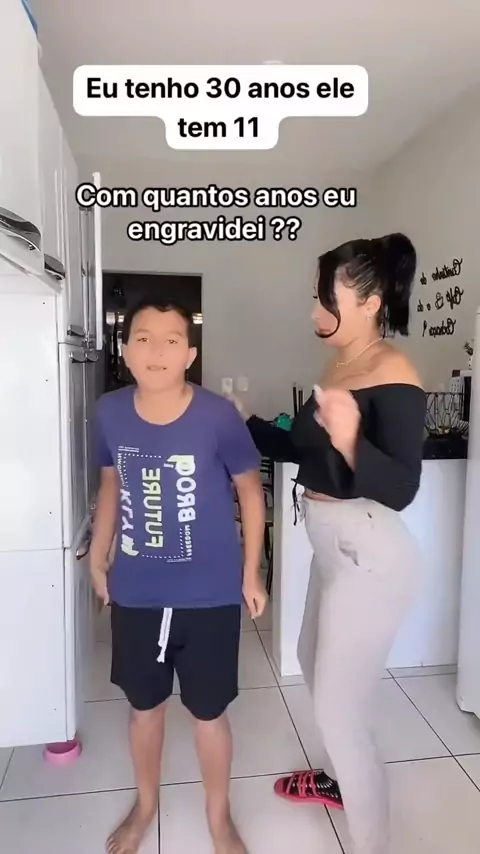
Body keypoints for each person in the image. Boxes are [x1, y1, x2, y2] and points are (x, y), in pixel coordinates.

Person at [231, 234, 425, 854]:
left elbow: (402, 487)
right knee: (311, 661)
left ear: (368, 302)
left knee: (340, 712)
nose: (314, 311)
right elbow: (301, 448)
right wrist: (246, 423)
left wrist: (350, 440)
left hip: (370, 554)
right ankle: (341, 779)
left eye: (325, 298)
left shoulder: (395, 372)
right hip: (333, 550)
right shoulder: (339, 366)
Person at [90, 297, 267, 854]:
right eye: (143, 338)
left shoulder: (217, 416)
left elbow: (250, 490)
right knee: (145, 710)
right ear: (125, 351)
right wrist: (98, 554)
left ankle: (219, 817)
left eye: (171, 340)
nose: (156, 350)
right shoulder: (109, 412)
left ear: (189, 354)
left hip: (210, 594)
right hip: (138, 592)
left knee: (209, 714)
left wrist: (252, 572)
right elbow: (112, 483)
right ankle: (146, 806)